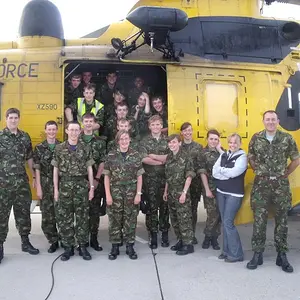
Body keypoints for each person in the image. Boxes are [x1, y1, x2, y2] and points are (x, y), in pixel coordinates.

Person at [246, 110, 299, 273]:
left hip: (280, 187)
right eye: (267, 119)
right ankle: (257, 253)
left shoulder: (286, 138)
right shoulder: (256, 138)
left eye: (273, 119)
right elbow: (251, 157)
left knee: (282, 222)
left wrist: (286, 173)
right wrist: (259, 170)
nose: (270, 122)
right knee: (259, 221)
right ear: (263, 121)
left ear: (278, 121)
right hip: (261, 187)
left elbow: (296, 159)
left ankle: (281, 255)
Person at [0, 108, 39, 264]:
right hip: (2, 184)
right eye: (11, 117)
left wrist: (34, 175)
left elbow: (29, 158)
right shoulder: (0, 137)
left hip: (21, 183)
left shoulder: (24, 137)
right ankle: (0, 245)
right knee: (1, 215)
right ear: (6, 119)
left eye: (16, 117)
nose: (13, 120)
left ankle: (25, 241)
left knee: (23, 213)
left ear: (19, 119)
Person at [52, 121, 95, 261]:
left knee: (82, 217)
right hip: (65, 185)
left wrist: (91, 188)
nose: (74, 132)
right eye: (71, 130)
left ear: (80, 131)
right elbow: (55, 169)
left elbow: (89, 168)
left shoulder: (85, 147)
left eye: (76, 130)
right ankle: (68, 247)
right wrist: (56, 189)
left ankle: (82, 246)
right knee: (66, 218)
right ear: (66, 131)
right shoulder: (59, 148)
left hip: (81, 185)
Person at [103, 130, 144, 260]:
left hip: (131, 193)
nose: (124, 141)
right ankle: (115, 247)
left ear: (130, 140)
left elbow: (139, 176)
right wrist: (108, 195)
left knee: (130, 219)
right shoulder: (111, 155)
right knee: (114, 220)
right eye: (122, 139)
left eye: (126, 139)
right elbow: (106, 177)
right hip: (115, 193)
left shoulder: (136, 155)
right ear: (118, 141)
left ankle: (129, 246)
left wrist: (138, 194)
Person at [212, 133, 248, 262]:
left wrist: (222, 171)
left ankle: (236, 254)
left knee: (228, 222)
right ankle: (226, 251)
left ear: (240, 144)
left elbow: (234, 173)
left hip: (234, 194)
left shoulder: (242, 157)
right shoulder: (224, 154)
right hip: (221, 191)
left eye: (235, 143)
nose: (232, 145)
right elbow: (214, 171)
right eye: (230, 143)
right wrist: (224, 172)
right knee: (224, 222)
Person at [140, 115, 170, 249]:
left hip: (165, 179)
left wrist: (155, 157)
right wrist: (161, 161)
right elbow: (144, 159)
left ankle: (164, 233)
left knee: (164, 207)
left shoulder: (167, 140)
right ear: (149, 126)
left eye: (158, 124)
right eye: (153, 125)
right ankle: (153, 234)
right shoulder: (145, 141)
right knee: (152, 208)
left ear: (161, 125)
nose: (156, 127)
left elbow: (171, 157)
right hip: (150, 180)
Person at [163, 134, 195, 255]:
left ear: (179, 143)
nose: (171, 145)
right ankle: (180, 240)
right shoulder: (170, 157)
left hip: (181, 193)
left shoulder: (186, 157)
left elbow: (189, 176)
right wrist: (166, 191)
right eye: (170, 143)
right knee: (175, 218)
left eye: (174, 142)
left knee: (184, 219)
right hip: (171, 192)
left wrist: (184, 193)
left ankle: (188, 244)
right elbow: (168, 176)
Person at [79, 113, 107, 251]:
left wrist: (96, 179)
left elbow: (102, 162)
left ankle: (94, 239)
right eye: (86, 121)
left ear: (94, 123)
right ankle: (82, 241)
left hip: (96, 181)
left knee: (94, 212)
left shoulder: (100, 141)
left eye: (91, 121)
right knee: (81, 212)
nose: (88, 123)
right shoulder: (76, 139)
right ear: (82, 122)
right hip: (79, 182)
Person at [33, 121, 60, 253]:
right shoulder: (39, 148)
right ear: (45, 130)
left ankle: (65, 239)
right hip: (44, 182)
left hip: (60, 184)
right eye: (49, 129)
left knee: (61, 213)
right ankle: (53, 240)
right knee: (47, 215)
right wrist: (38, 186)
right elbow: (37, 168)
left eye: (54, 129)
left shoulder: (62, 146)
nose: (51, 132)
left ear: (57, 130)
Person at [198, 129, 222, 250]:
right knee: (212, 213)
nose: (213, 141)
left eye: (216, 139)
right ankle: (208, 236)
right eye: (211, 139)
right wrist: (207, 189)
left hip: (222, 188)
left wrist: (220, 149)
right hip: (209, 187)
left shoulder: (222, 153)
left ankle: (214, 238)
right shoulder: (203, 153)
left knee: (220, 214)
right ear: (207, 139)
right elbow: (202, 172)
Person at [180, 122, 203, 244]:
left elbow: (200, 165)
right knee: (183, 210)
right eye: (185, 131)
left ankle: (192, 234)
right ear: (182, 133)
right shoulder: (179, 146)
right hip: (181, 182)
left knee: (193, 209)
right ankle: (183, 235)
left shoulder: (198, 147)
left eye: (190, 130)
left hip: (194, 183)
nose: (188, 133)